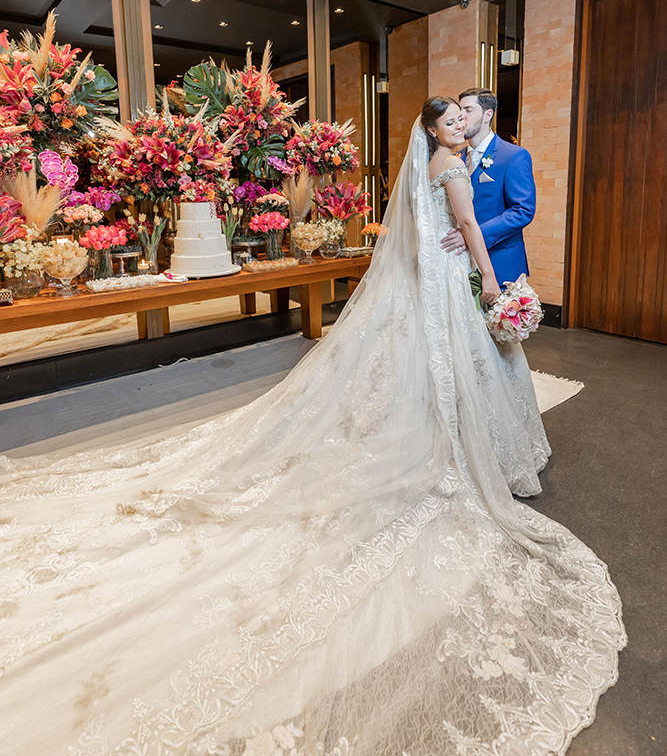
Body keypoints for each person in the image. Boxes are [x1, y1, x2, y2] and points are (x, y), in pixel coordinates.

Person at [0, 101, 625, 756]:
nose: (461, 126)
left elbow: (439, 226)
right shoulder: (452, 166)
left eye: (466, 117)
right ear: (437, 131)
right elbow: (466, 226)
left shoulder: (433, 163)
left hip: (430, 281)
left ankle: (428, 427)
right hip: (453, 281)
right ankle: (456, 444)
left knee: (428, 366)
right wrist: (494, 287)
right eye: (452, 120)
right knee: (455, 365)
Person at [441, 89, 536, 287]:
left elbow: (523, 211)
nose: (461, 118)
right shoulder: (455, 159)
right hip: (460, 265)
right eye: (459, 113)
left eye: (468, 111)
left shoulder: (513, 155)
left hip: (501, 263)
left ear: (487, 115)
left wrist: (470, 235)